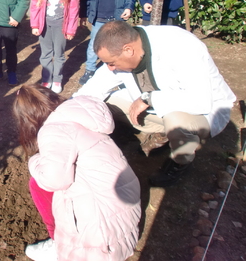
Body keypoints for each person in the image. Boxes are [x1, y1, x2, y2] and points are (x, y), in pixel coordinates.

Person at [74, 21, 236, 187]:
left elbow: (200, 101)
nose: (109, 68)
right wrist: (69, 108)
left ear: (128, 50)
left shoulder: (182, 46)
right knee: (103, 101)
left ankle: (180, 161)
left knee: (175, 121)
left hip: (204, 112)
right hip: (156, 107)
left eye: (111, 63)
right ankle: (161, 134)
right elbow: (96, 86)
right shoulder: (124, 48)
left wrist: (148, 98)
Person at [13, 84, 140, 261]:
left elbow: (53, 181)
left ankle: (58, 242)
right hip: (125, 225)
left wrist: (34, 161)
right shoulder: (80, 116)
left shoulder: (53, 130)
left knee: (38, 184)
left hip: (101, 243)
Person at [30, 0, 79, 94]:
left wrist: (71, 28)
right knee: (45, 54)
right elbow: (35, 4)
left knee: (59, 54)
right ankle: (47, 79)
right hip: (45, 25)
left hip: (61, 26)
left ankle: (57, 79)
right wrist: (35, 24)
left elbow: (74, 9)